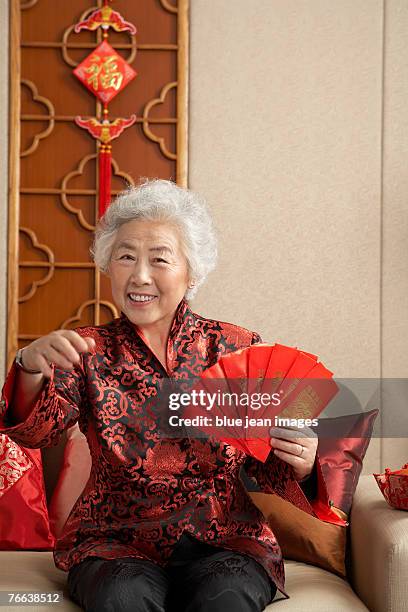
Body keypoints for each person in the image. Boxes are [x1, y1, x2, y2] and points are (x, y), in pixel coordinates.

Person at [0, 179, 326, 612]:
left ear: (191, 271)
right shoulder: (84, 351)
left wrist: (303, 464)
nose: (140, 276)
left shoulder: (238, 347)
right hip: (113, 544)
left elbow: (267, 465)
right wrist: (27, 368)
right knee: (124, 597)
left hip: (225, 541)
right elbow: (37, 433)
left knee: (225, 599)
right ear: (107, 265)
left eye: (159, 259)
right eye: (126, 257)